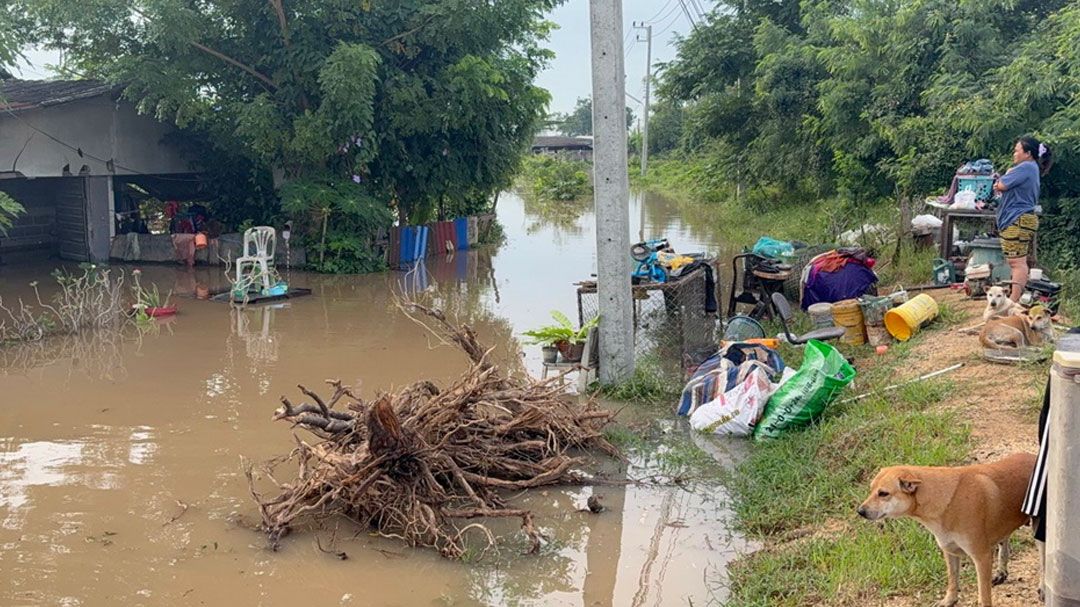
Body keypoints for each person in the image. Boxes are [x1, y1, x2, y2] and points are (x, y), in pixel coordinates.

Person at [992, 135, 1053, 302]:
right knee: (1018, 261)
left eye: (1017, 150)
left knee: (1017, 263)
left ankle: (1013, 300)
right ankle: (1015, 297)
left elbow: (1001, 185)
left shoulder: (1025, 167)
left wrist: (1002, 179)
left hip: (1017, 219)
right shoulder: (1030, 167)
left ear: (1027, 153)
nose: (1014, 154)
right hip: (1021, 218)